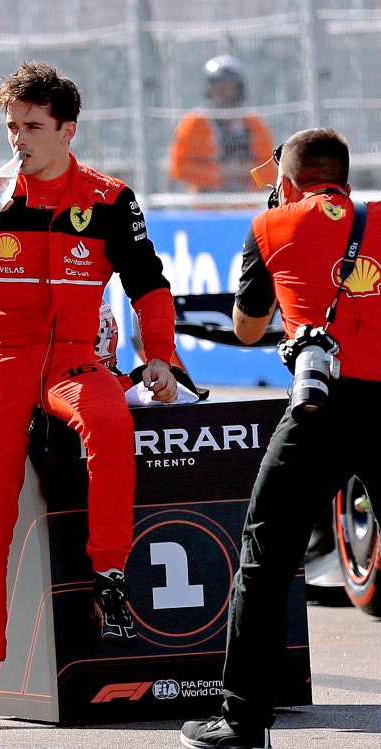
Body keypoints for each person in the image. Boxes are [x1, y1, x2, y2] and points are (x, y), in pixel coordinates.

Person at [0, 60, 178, 733]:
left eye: (31, 126)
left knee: (112, 422)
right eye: (10, 126)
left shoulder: (110, 199)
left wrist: (162, 356)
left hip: (73, 363)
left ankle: (110, 581)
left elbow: (149, 284)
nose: (17, 139)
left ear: (66, 128)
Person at [180, 127, 381, 748]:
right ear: (345, 179)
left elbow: (245, 328)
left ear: (287, 182)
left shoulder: (270, 225)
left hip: (320, 408)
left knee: (264, 561)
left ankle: (244, 721)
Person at [168, 55, 275, 198]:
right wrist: (219, 174)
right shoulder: (195, 123)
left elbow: (270, 170)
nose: (223, 94)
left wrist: (246, 173)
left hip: (245, 206)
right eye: (218, 87)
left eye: (229, 87)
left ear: (239, 89)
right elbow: (178, 168)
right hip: (207, 208)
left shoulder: (254, 123)